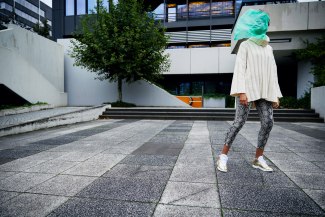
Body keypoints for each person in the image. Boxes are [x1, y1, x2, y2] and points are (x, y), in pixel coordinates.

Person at [217, 9, 282, 173]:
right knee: (239, 122)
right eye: (260, 22)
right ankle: (223, 157)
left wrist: (275, 94)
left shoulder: (269, 49)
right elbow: (239, 69)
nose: (263, 25)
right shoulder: (245, 45)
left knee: (268, 122)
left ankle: (258, 158)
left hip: (265, 90)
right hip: (247, 89)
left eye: (265, 23)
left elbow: (272, 71)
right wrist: (241, 91)